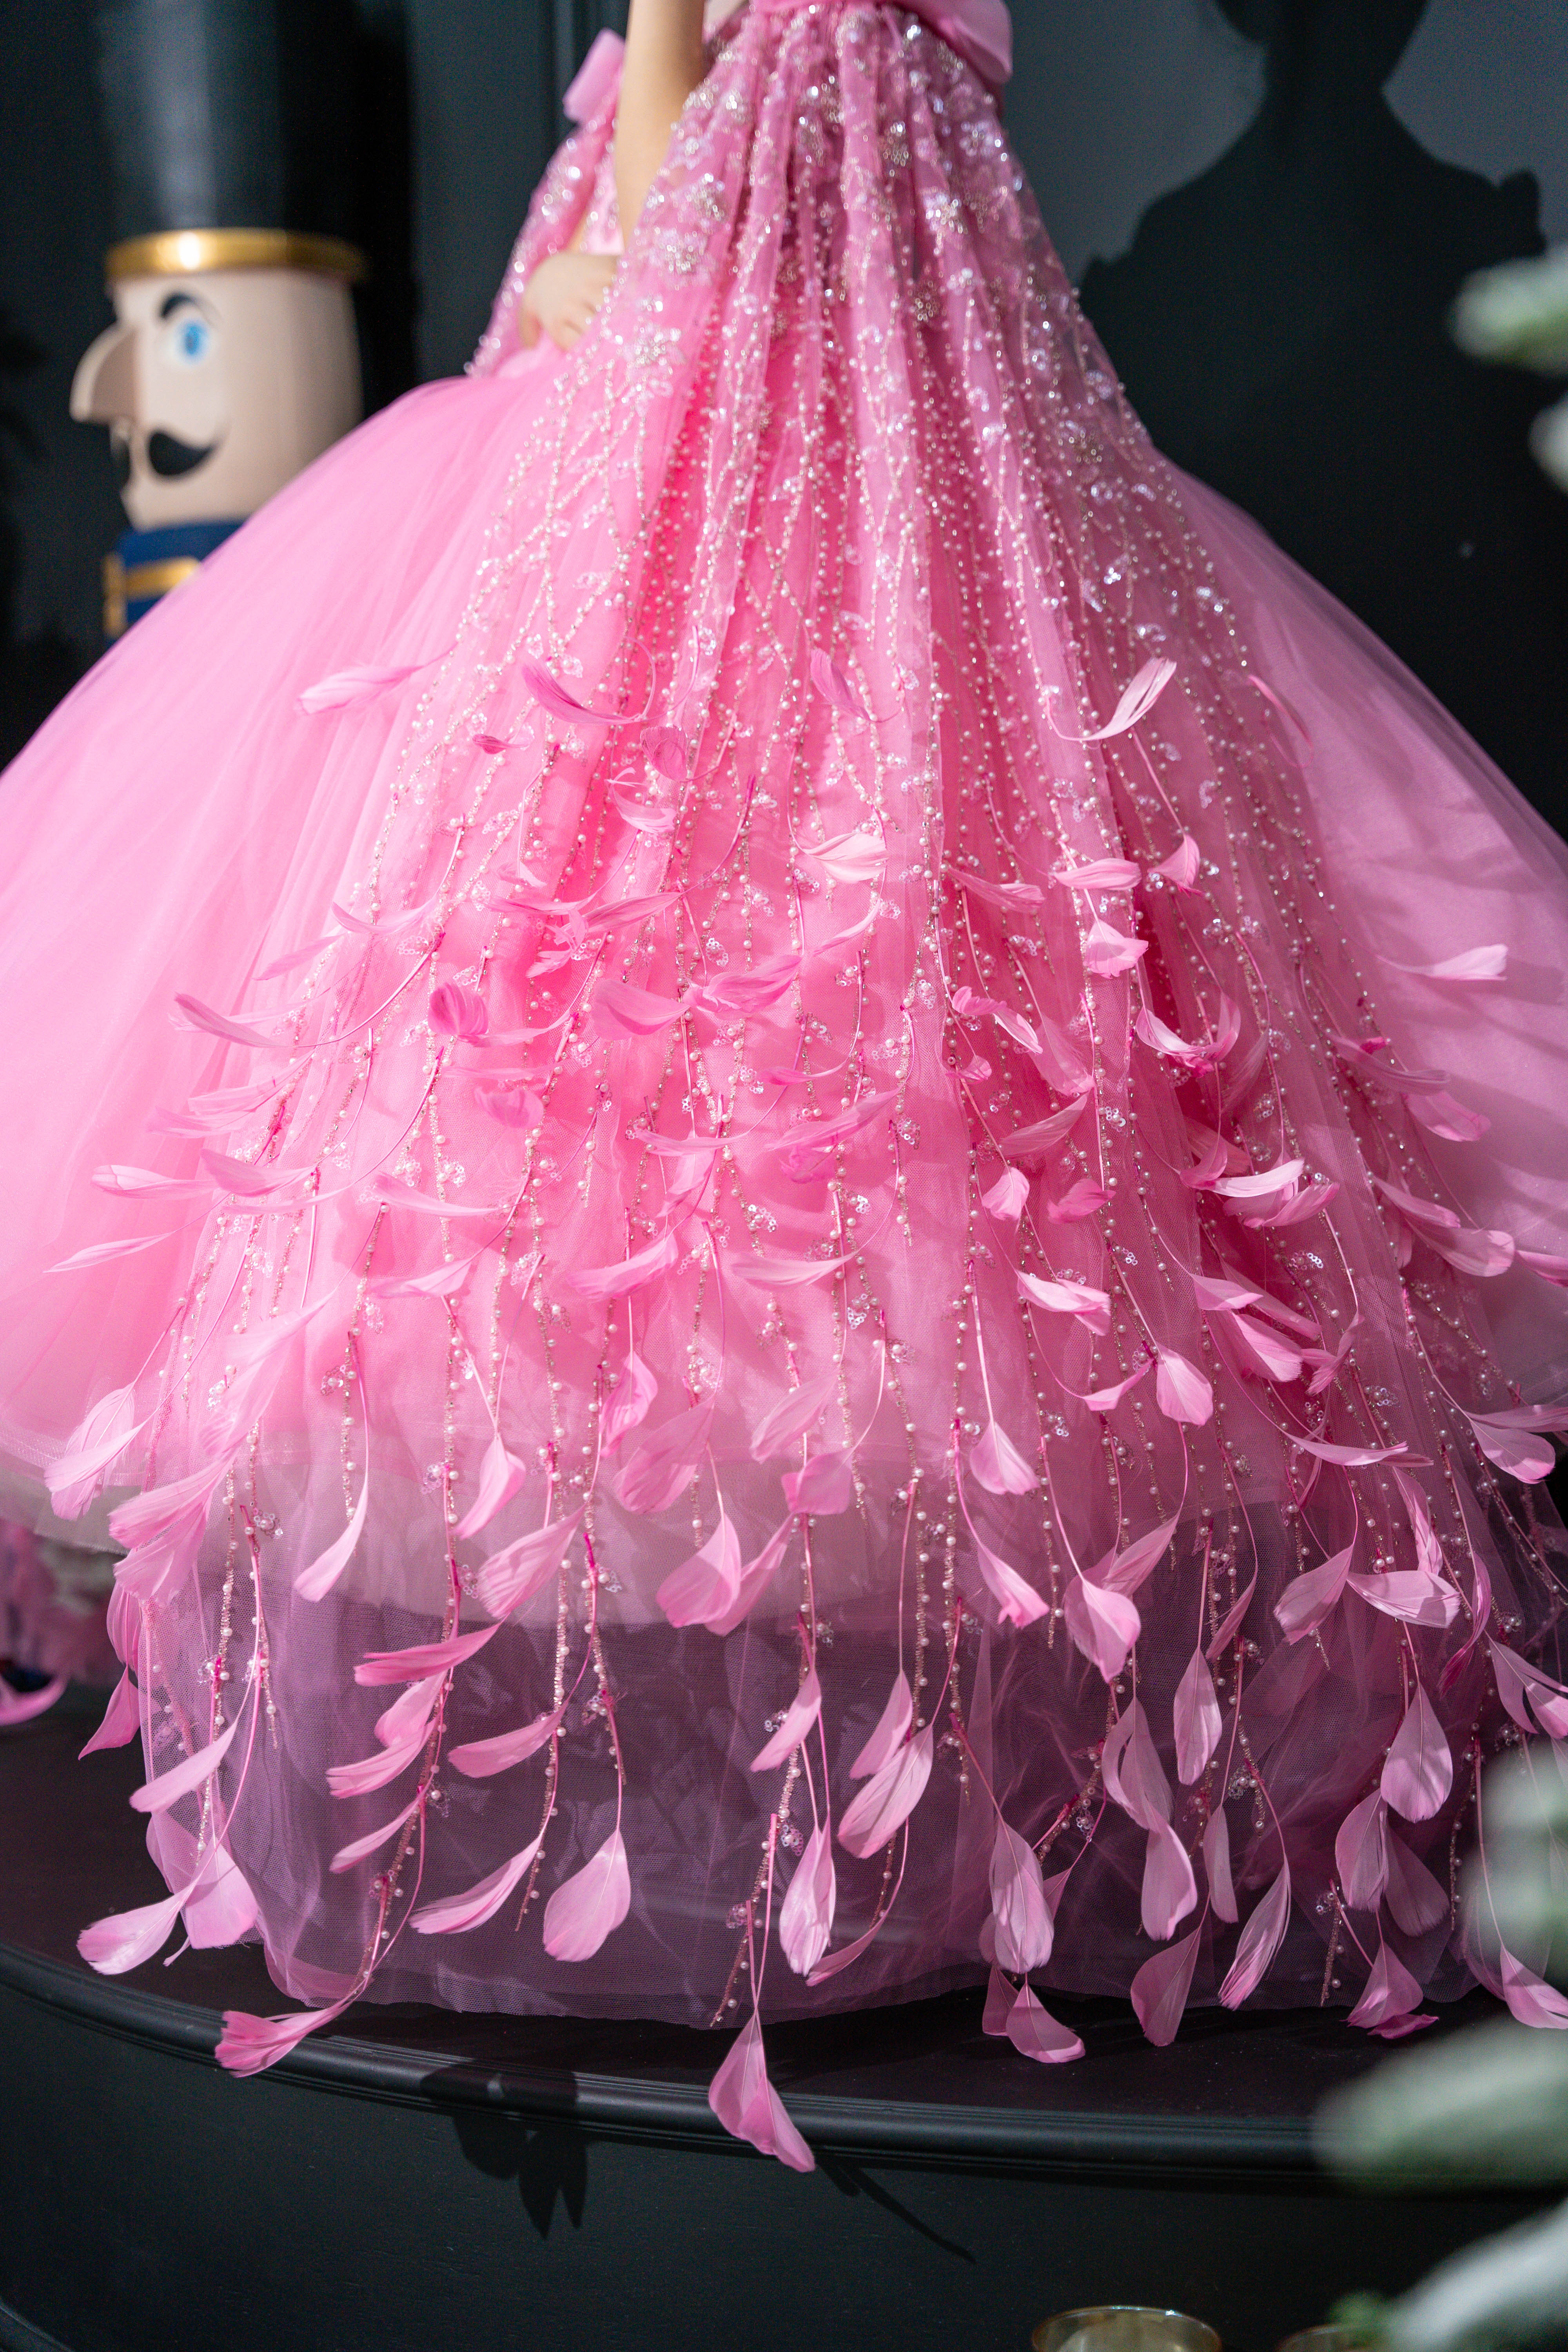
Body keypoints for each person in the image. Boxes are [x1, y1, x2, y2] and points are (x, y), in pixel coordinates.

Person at [2, 0, 1566, 2169]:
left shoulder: (848, 56)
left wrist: (640, 179)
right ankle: (850, 1806)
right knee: (817, 1109)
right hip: (769, 436)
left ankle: (854, 1811)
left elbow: (681, 202)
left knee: (772, 1112)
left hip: (792, 437)